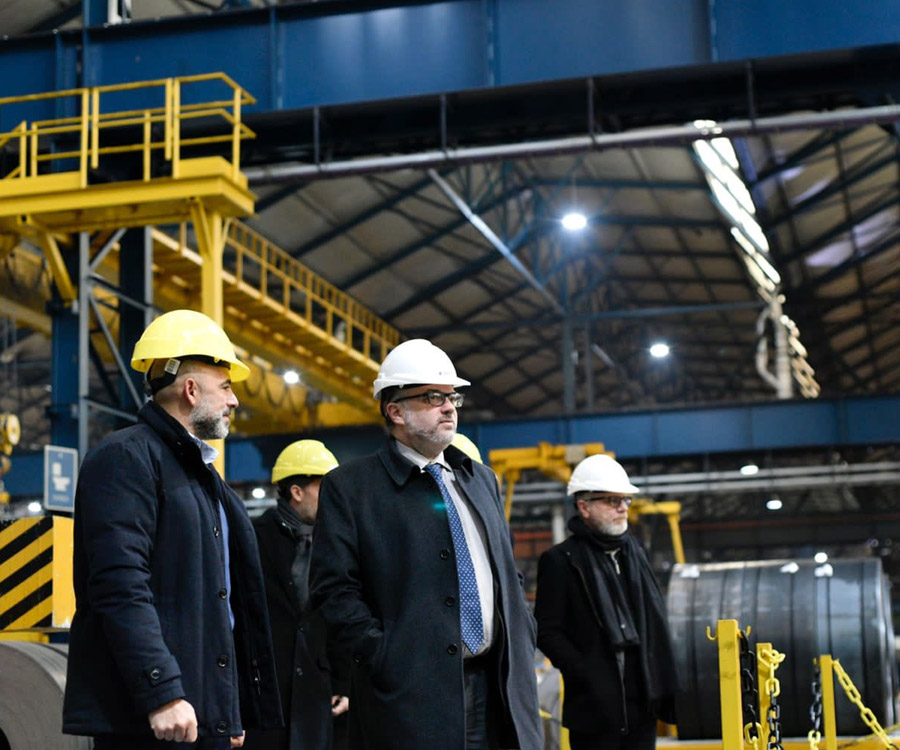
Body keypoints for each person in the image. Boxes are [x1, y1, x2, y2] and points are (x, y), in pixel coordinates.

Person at [63, 309, 282, 749]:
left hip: (200, 714)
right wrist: (161, 691)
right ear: (190, 388)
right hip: (154, 716)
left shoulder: (206, 481)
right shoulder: (126, 458)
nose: (234, 401)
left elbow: (221, 602)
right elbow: (120, 585)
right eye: (225, 387)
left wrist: (229, 708)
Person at [309, 338, 542, 750]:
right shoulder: (352, 488)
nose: (449, 406)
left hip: (498, 686)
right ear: (395, 410)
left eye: (452, 396)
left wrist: (523, 630)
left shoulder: (480, 479)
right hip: (410, 696)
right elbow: (333, 591)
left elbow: (505, 570)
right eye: (433, 397)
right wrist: (387, 655)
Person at [533, 455, 679, 750]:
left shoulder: (635, 551)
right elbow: (547, 631)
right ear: (584, 506)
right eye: (612, 501)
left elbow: (652, 620)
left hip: (642, 705)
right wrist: (585, 672)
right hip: (594, 711)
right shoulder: (561, 561)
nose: (623, 508)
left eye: (625, 499)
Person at [244, 440, 349, 750]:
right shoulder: (253, 538)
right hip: (267, 695)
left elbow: (340, 614)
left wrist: (344, 682)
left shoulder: (336, 543)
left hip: (319, 695)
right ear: (297, 492)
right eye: (324, 489)